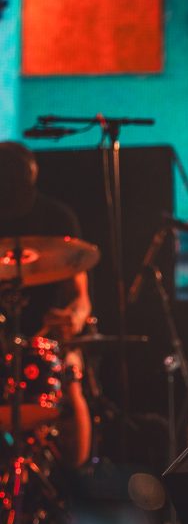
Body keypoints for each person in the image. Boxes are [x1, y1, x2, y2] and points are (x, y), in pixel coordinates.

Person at [0, 141, 92, 467]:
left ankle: (73, 478)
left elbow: (81, 297)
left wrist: (74, 317)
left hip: (46, 339)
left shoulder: (56, 218)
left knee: (72, 376)